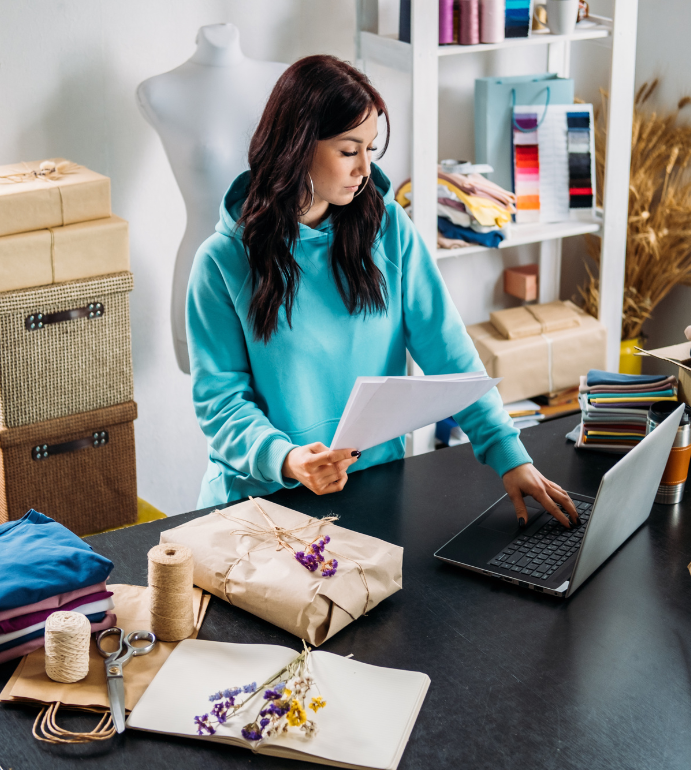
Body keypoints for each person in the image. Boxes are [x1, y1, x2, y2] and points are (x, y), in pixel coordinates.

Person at [187, 55, 578, 527]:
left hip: (373, 487)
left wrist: (509, 455)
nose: (364, 169)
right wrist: (289, 459)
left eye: (371, 149)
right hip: (261, 501)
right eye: (349, 150)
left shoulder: (389, 229)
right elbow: (222, 403)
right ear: (296, 146)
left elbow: (449, 353)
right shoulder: (221, 262)